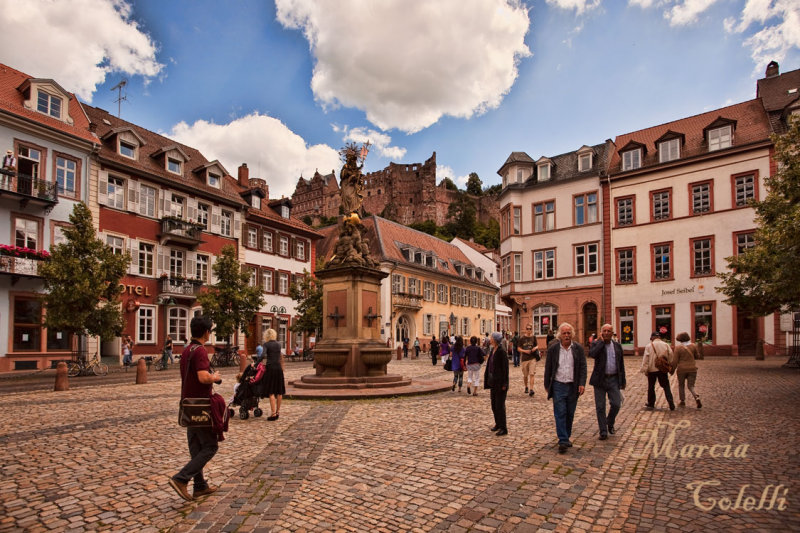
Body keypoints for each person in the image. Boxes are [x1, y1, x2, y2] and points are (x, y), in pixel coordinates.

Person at [169, 315, 222, 501]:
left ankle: (199, 486)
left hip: (188, 404)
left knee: (196, 446)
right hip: (200, 405)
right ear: (207, 332)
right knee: (210, 446)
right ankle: (181, 478)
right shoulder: (200, 351)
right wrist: (214, 377)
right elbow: (202, 377)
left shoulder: (186, 350)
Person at [544, 323, 587, 454]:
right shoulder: (553, 349)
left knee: (570, 413)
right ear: (560, 335)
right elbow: (548, 367)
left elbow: (583, 367)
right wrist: (547, 384)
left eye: (569, 333)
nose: (567, 335)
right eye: (564, 333)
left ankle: (566, 435)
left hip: (573, 385)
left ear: (572, 334)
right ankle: (562, 440)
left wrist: (582, 383)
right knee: (560, 412)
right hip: (558, 385)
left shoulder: (578, 349)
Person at [588, 324, 626, 440]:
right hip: (600, 379)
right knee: (600, 406)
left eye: (609, 331)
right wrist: (601, 342)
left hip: (613, 379)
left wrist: (623, 380)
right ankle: (603, 431)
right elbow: (592, 354)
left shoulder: (617, 346)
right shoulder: (596, 344)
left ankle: (610, 421)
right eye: (604, 331)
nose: (606, 333)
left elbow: (621, 364)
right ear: (601, 332)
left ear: (612, 333)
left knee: (616, 403)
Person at [641, 332, 675, 410]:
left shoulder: (649, 346)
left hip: (652, 369)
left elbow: (646, 359)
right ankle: (671, 402)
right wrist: (668, 365)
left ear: (652, 338)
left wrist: (645, 370)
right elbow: (671, 355)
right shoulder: (665, 344)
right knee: (666, 386)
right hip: (662, 369)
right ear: (659, 337)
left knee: (651, 386)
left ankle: (651, 403)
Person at [485, 331, 509, 436]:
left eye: (491, 338)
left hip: (500, 382)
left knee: (500, 405)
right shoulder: (492, 350)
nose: (490, 339)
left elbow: (505, 369)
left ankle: (503, 427)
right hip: (493, 381)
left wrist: (505, 383)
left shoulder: (501, 351)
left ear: (495, 340)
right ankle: (498, 424)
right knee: (494, 405)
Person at [262, 329, 285, 421]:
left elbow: (263, 355)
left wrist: (256, 364)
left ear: (266, 336)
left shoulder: (266, 344)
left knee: (271, 391)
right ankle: (278, 412)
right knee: (279, 391)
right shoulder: (278, 344)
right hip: (278, 368)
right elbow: (279, 355)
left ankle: (273, 413)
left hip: (270, 368)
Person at [674, 332, 701, 408]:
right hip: (692, 368)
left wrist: (671, 370)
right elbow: (697, 356)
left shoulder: (678, 348)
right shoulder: (693, 346)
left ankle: (682, 401)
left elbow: (675, 360)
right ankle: (696, 396)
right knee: (691, 386)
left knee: (681, 385)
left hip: (681, 369)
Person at [518, 324, 539, 397]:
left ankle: (531, 389)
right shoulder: (522, 338)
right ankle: (526, 386)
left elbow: (537, 345)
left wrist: (535, 348)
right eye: (527, 328)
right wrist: (525, 351)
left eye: (530, 329)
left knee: (532, 374)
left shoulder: (533, 337)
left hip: (532, 358)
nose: (529, 330)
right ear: (525, 329)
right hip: (524, 359)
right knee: (525, 375)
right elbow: (518, 348)